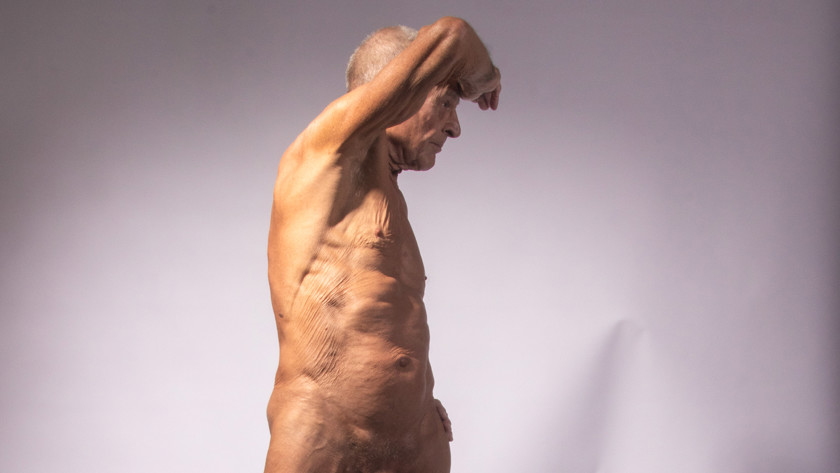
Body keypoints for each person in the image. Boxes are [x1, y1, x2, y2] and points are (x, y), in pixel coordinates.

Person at [264, 16, 501, 473]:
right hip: (325, 437)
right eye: (446, 102)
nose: (455, 127)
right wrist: (486, 80)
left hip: (414, 443)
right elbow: (453, 35)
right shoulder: (326, 151)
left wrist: (411, 400)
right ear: (400, 90)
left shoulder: (388, 197)